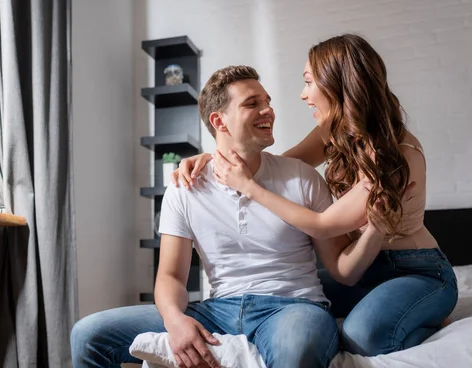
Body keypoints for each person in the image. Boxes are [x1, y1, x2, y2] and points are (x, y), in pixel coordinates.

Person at [71, 65, 387, 368]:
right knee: (88, 335)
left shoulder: (303, 178)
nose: (269, 111)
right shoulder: (185, 186)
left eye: (268, 102)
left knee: (298, 350)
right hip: (218, 310)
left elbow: (339, 264)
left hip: (293, 307)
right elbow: (169, 277)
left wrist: (376, 228)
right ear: (219, 121)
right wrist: (175, 320)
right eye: (253, 103)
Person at [172, 34, 458, 356]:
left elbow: (322, 225)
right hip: (365, 265)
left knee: (360, 334)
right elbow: (276, 164)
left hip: (416, 270)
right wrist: (213, 157)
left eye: (309, 82)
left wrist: (249, 188)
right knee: (296, 303)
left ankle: (429, 319)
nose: (303, 94)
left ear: (337, 84)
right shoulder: (334, 132)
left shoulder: (394, 154)